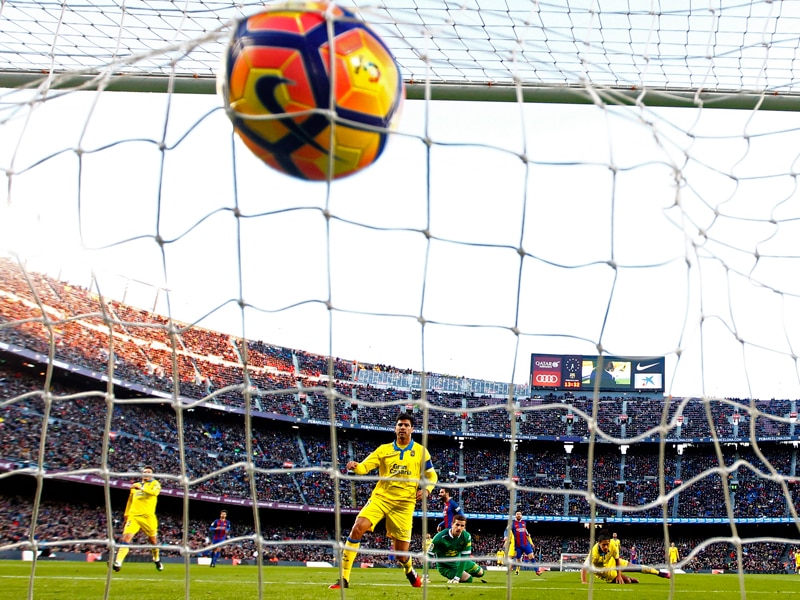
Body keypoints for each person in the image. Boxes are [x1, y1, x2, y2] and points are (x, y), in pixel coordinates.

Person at [329, 412, 438, 589]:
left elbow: (431, 474)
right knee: (357, 528)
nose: (402, 427)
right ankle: (344, 579)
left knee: (401, 555)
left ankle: (410, 571)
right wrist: (356, 467)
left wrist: (427, 489)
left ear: (412, 429)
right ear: (395, 428)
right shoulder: (383, 449)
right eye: (399, 425)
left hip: (404, 505)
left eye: (406, 425)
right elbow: (365, 467)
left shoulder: (420, 451)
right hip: (381, 499)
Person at [113, 465, 163, 572]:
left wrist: (142, 488)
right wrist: (126, 515)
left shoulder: (155, 483)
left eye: (149, 472)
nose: (147, 473)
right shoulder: (135, 486)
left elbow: (155, 493)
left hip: (148, 517)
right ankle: (118, 562)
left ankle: (156, 559)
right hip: (134, 516)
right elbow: (130, 501)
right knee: (126, 539)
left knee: (153, 541)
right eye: (145, 472)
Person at [581, 530, 670, 584]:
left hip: (611, 561)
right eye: (603, 545)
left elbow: (616, 560)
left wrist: (619, 575)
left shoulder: (612, 545)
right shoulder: (594, 553)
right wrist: (584, 581)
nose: (606, 547)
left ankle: (661, 574)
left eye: (607, 544)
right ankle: (630, 579)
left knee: (636, 568)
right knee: (627, 581)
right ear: (599, 543)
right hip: (603, 571)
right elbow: (584, 568)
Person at [426, 514, 486, 584]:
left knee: (481, 573)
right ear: (452, 524)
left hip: (459, 561)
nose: (459, 528)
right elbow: (428, 555)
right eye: (457, 525)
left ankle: (461, 572)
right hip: (446, 567)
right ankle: (460, 574)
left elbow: (464, 557)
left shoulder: (466, 537)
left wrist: (457, 577)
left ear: (464, 527)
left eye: (462, 526)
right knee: (468, 579)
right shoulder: (440, 537)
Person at [505, 510, 543, 576]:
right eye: (517, 514)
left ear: (521, 516)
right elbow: (506, 530)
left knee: (531, 556)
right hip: (518, 546)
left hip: (526, 544)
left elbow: (526, 532)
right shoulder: (512, 524)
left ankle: (537, 571)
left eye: (520, 514)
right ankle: (511, 568)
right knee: (518, 560)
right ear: (515, 516)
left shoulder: (524, 523)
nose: (518, 515)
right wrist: (505, 536)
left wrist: (531, 542)